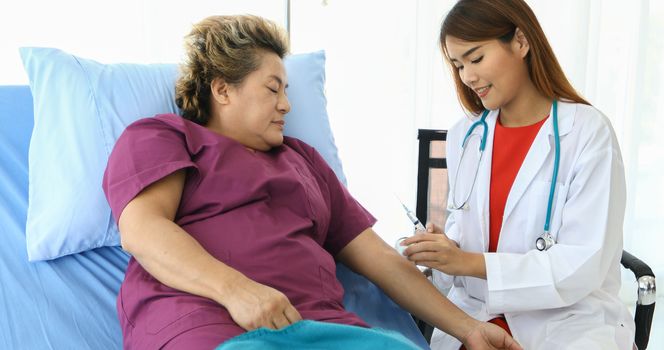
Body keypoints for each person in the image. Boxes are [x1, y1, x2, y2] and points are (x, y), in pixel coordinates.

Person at [103, 14, 522, 350]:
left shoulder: (302, 159)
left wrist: (469, 329)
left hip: (323, 329)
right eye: (273, 89)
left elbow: (381, 261)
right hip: (209, 324)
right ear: (222, 89)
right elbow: (142, 228)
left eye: (286, 89)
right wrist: (238, 292)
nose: (286, 104)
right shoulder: (166, 136)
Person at [401, 1, 636, 349]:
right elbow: (465, 229)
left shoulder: (588, 133)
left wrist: (466, 261)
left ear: (521, 42)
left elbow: (581, 264)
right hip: (478, 317)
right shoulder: (464, 136)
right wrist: (444, 248)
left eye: (476, 58)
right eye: (458, 64)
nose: (467, 76)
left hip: (566, 323)